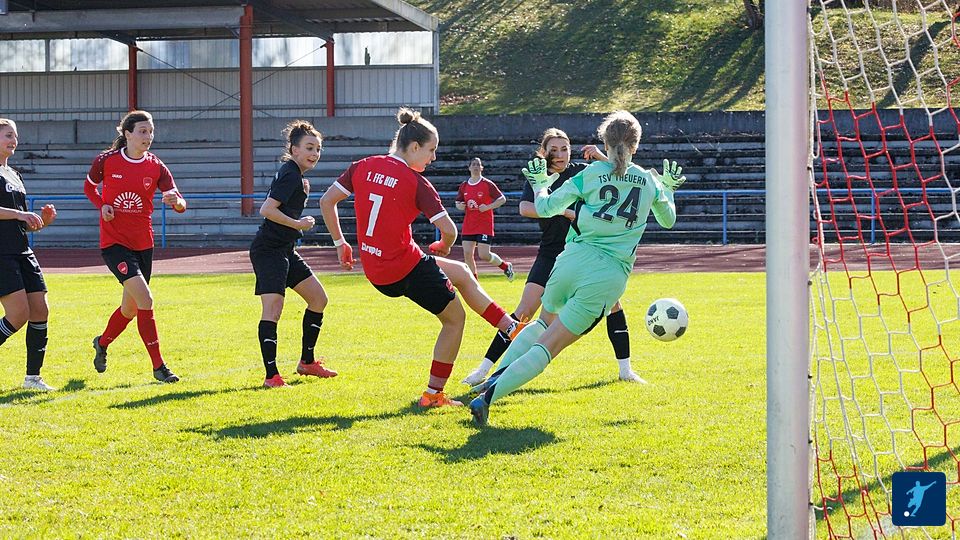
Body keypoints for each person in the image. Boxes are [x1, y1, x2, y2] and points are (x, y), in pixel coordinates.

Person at [469, 110, 685, 425]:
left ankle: (496, 377)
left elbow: (544, 207)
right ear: (636, 146)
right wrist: (668, 191)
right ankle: (488, 396)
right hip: (608, 273)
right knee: (550, 345)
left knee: (543, 323)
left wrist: (541, 184)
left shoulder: (589, 174)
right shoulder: (649, 180)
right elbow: (668, 220)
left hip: (570, 259)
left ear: (605, 142)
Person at [320, 107, 522, 408]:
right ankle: (433, 394)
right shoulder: (417, 183)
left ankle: (508, 326)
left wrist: (340, 243)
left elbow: (326, 201)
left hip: (377, 266)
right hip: (404, 268)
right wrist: (442, 244)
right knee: (454, 320)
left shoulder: (363, 166)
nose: (434, 157)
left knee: (463, 274)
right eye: (431, 150)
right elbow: (450, 231)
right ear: (414, 147)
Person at [461, 128, 644, 386]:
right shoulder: (539, 175)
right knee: (524, 312)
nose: (560, 155)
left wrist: (602, 156)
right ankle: (484, 370)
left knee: (614, 304)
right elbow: (525, 208)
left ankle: (625, 370)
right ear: (544, 152)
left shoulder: (583, 171)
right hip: (550, 252)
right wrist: (563, 211)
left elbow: (622, 172)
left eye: (565, 148)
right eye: (554, 150)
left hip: (584, 251)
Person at [83, 110, 187, 384]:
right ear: (127, 134)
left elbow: (179, 202)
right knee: (146, 300)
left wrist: (175, 203)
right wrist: (101, 205)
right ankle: (159, 367)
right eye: (142, 131)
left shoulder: (156, 166)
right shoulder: (106, 161)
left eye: (151, 131)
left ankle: (102, 343)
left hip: (144, 244)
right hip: (114, 244)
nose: (148, 137)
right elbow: (89, 187)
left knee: (130, 309)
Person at [250, 120, 337, 388]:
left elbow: (281, 207)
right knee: (273, 309)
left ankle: (307, 363)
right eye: (309, 147)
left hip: (286, 250)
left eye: (318, 148)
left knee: (318, 299)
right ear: (294, 149)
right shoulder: (290, 174)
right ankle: (271, 376)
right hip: (269, 251)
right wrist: (299, 224)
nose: (315, 153)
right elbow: (267, 209)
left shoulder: (295, 176)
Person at [0, 118, 57, 391]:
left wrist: (42, 221)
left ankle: (32, 379)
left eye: (16, 136)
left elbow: (20, 223)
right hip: (2, 254)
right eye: (8, 135)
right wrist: (20, 214)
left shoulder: (15, 175)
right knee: (18, 314)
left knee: (40, 310)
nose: (14, 140)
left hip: (23, 251)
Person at [455, 157, 514, 281]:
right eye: (473, 164)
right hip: (469, 225)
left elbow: (502, 199)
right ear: (469, 168)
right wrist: (460, 206)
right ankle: (474, 284)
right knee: (467, 254)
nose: (476, 166)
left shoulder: (487, 184)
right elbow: (458, 203)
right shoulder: (464, 186)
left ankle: (505, 266)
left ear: (481, 168)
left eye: (478, 164)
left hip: (484, 224)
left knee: (484, 254)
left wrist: (488, 207)